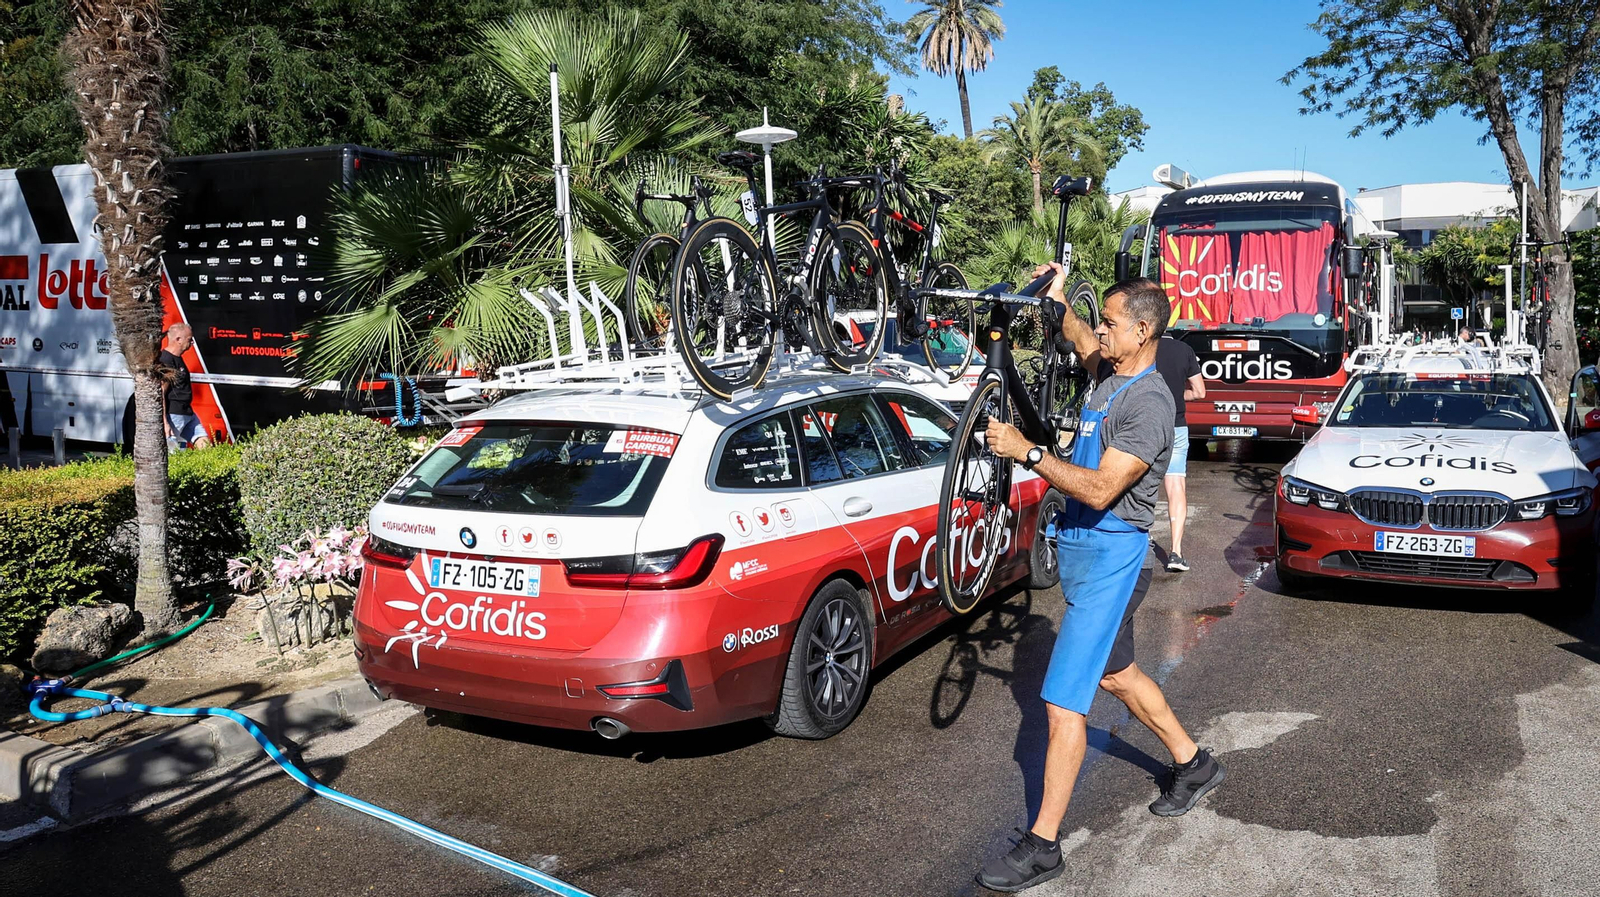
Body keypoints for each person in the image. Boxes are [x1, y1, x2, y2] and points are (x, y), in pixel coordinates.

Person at [976, 271, 1224, 893]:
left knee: (1063, 703)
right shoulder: (1108, 373)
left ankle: (1043, 845)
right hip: (1084, 556)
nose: (1102, 331)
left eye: (1113, 322)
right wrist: (1058, 304)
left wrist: (1025, 451)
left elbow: (1099, 488)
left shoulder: (1148, 403)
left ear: (1144, 331)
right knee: (1116, 674)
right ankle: (1194, 764)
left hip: (1116, 562)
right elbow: (1082, 337)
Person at [1155, 336, 1203, 572]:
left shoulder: (1140, 346)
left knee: (1138, 483)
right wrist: (1175, 396)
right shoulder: (1184, 350)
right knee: (1175, 487)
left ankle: (1138, 541)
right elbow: (1199, 392)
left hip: (1146, 425)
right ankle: (1175, 552)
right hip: (1176, 426)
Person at [159, 324, 211, 450]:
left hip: (188, 412)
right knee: (175, 453)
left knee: (205, 444)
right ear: (178, 339)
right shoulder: (166, 360)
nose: (192, 342)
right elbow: (161, 392)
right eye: (189, 339)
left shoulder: (178, 359)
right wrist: (164, 422)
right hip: (174, 414)